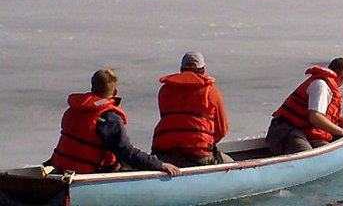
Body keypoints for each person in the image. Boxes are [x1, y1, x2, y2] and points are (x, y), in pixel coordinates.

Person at [48, 69, 180, 176]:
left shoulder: (74, 110)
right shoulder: (108, 117)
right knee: (129, 163)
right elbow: (126, 152)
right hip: (88, 172)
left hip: (62, 168)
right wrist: (159, 165)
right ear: (115, 92)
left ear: (92, 87)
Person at [266, 57, 343, 155]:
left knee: (324, 147)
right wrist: (342, 131)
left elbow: (327, 118)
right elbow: (315, 117)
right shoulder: (321, 86)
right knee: (308, 156)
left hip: (301, 130)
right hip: (284, 130)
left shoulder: (326, 85)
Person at [151, 51, 231, 166]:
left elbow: (169, 121)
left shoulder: (164, 91)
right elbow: (222, 130)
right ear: (203, 70)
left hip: (164, 152)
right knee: (231, 163)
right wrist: (205, 143)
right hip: (198, 153)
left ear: (181, 69)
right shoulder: (211, 92)